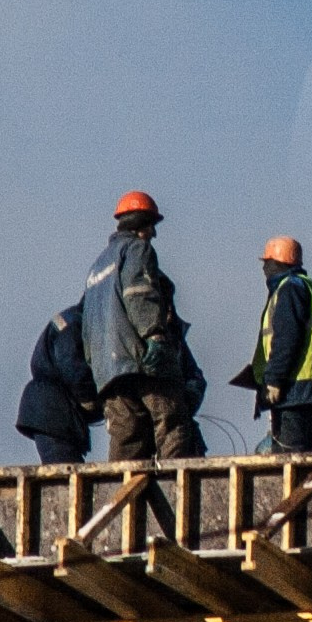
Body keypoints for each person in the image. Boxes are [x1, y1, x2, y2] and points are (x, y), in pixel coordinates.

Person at [81, 191, 201, 460]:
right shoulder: (137, 249)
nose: (153, 234)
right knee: (172, 421)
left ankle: (124, 487)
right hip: (140, 359)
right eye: (151, 226)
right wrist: (154, 335)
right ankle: (173, 483)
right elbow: (139, 293)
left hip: (108, 369)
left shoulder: (97, 266)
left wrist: (95, 362)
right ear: (140, 223)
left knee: (127, 436)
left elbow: (88, 323)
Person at [245, 236, 312, 452]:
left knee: (289, 459)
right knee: (305, 457)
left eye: (266, 263)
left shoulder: (290, 289)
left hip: (298, 392)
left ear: (276, 263)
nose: (264, 270)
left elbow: (287, 338)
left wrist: (274, 380)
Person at [14, 303, 98, 464]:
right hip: (52, 411)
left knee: (67, 470)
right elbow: (72, 365)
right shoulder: (73, 324)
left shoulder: (74, 319)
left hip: (51, 409)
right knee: (65, 470)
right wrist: (88, 400)